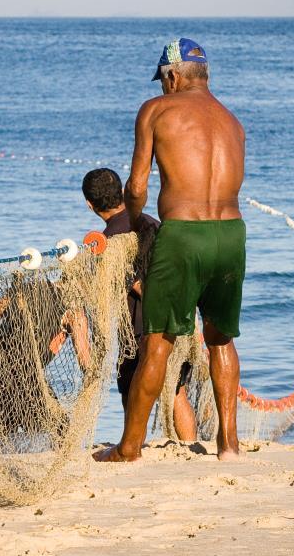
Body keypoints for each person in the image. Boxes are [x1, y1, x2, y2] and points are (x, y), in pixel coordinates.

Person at [93, 38, 246, 462]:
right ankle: (229, 445)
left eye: (164, 80)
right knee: (220, 338)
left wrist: (139, 221)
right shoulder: (233, 122)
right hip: (232, 234)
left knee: (156, 341)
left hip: (183, 235)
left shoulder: (156, 110)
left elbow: (137, 186)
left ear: (173, 76)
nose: (163, 87)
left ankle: (128, 448)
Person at [82, 168, 197, 442]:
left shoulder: (109, 243)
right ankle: (191, 447)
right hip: (177, 319)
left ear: (90, 204)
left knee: (133, 392)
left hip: (139, 329)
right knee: (176, 389)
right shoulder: (153, 223)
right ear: (122, 193)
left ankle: (132, 447)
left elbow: (131, 287)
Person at [0, 273, 90, 448]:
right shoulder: (75, 313)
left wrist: (3, 344)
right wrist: (94, 375)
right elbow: (84, 359)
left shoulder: (28, 289)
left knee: (2, 436)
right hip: (26, 371)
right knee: (59, 432)